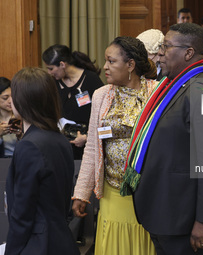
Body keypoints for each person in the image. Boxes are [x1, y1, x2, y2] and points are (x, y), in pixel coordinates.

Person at [120, 22, 203, 255]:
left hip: (187, 220)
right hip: (166, 213)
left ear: (188, 52)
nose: (160, 53)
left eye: (166, 47)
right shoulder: (172, 87)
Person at [72, 36, 158, 255]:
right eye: (106, 61)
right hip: (112, 190)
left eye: (111, 61)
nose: (105, 67)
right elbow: (92, 147)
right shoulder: (102, 95)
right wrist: (82, 193)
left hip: (147, 192)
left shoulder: (157, 93)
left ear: (130, 65)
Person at [5, 67, 79, 255]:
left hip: (37, 245)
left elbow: (22, 214)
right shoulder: (60, 139)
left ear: (22, 101)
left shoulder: (29, 145)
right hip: (61, 240)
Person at [42, 44, 104, 159]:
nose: (49, 72)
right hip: (60, 149)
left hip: (88, 149)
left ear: (62, 64)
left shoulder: (91, 80)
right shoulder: (52, 84)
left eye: (51, 68)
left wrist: (87, 137)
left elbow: (105, 117)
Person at [0, 77, 21, 157]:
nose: (10, 101)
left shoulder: (20, 117)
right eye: (5, 98)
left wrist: (21, 135)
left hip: (19, 159)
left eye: (12, 97)